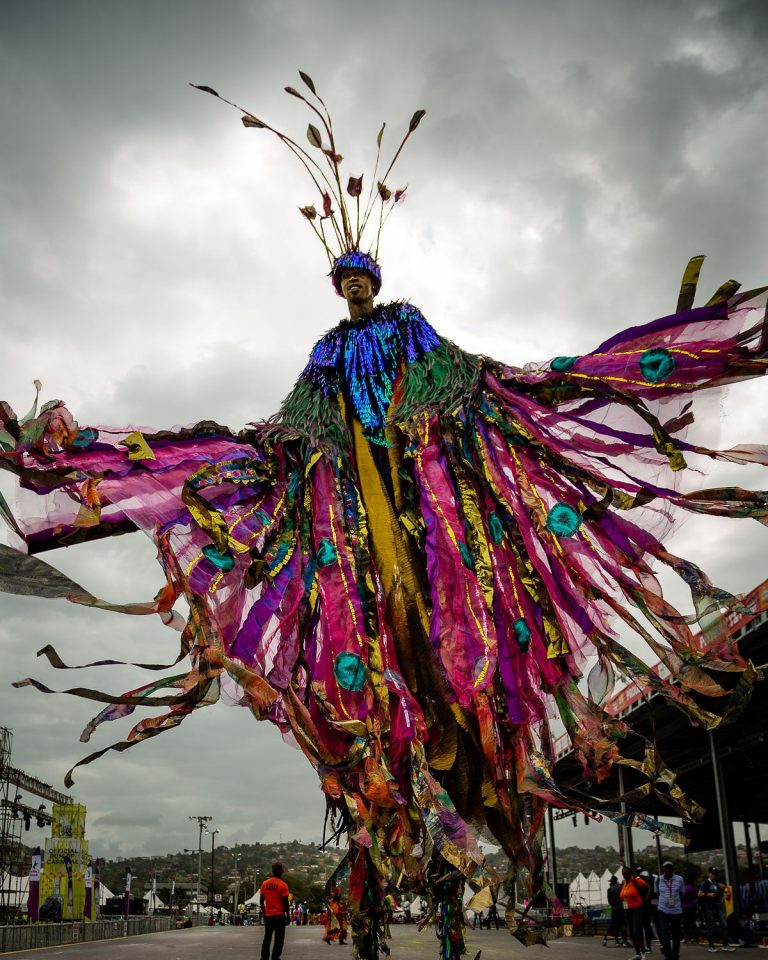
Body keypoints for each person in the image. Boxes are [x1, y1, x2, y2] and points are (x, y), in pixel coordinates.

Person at [2, 73, 768, 960]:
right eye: (345, 280)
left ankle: (458, 835)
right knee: (368, 643)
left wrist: (453, 414)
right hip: (349, 506)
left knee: (458, 620)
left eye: (361, 277)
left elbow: (458, 373)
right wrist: (233, 457)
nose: (355, 290)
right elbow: (293, 422)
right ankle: (405, 844)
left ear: (377, 281)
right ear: (336, 287)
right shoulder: (325, 351)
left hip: (424, 484)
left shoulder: (406, 327)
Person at [698, 867, 735, 953]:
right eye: (713, 873)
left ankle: (725, 945)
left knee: (724, 925)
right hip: (709, 908)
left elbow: (720, 892)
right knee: (711, 926)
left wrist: (722, 890)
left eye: (715, 873)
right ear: (709, 873)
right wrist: (708, 894)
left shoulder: (716, 883)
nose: (714, 875)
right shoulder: (705, 883)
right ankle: (711, 946)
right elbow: (699, 894)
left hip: (718, 907)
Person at [259, 862, 290, 960]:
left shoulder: (265, 883)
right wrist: (288, 914)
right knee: (279, 938)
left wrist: (264, 912)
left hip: (268, 915)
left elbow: (261, 899)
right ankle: (275, 956)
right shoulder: (283, 885)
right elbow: (285, 903)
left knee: (267, 937)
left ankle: (264, 957)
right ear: (281, 872)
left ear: (272, 871)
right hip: (279, 916)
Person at [655, 861, 684, 960]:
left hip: (676, 910)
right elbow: (657, 892)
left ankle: (675, 954)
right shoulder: (658, 879)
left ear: (672, 869)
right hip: (663, 910)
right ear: (663, 869)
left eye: (669, 868)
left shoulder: (679, 879)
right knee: (664, 932)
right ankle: (668, 955)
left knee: (676, 933)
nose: (667, 870)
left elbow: (681, 893)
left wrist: (676, 903)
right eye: (665, 868)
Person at [620, 866, 649, 960]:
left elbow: (649, 887)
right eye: (623, 873)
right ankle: (637, 954)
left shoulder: (636, 880)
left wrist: (646, 900)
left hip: (637, 909)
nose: (625, 875)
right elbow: (623, 896)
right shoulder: (623, 883)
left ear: (630, 873)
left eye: (626, 873)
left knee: (637, 931)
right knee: (632, 933)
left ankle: (643, 952)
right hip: (627, 910)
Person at [605, 875, 627, 947]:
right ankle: (624, 941)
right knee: (623, 925)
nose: (610, 883)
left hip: (615, 909)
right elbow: (625, 897)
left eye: (610, 881)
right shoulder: (622, 887)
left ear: (613, 881)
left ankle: (617, 941)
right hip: (623, 908)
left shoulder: (610, 889)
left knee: (615, 925)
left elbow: (609, 901)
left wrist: (614, 906)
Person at [680, 877, 698, 943]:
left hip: (686, 906)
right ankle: (695, 938)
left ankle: (686, 938)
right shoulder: (694, 888)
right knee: (692, 922)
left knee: (685, 923)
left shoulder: (686, 888)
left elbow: (683, 896)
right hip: (693, 906)